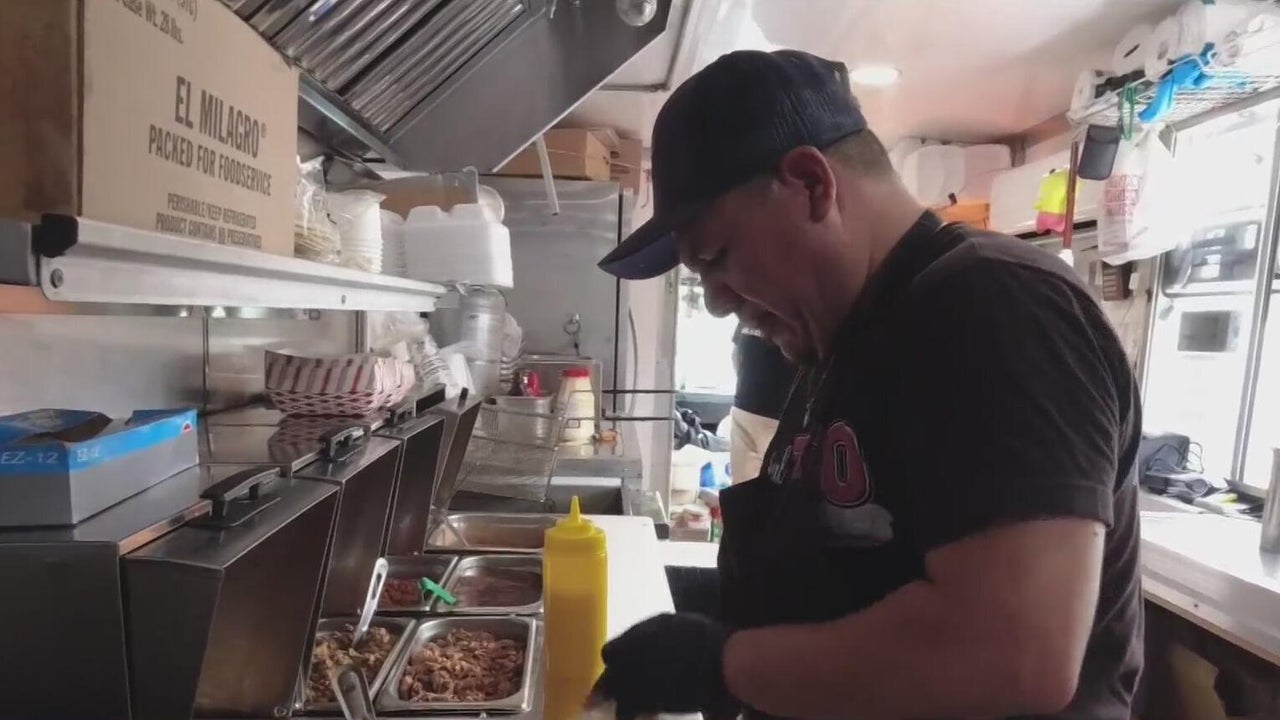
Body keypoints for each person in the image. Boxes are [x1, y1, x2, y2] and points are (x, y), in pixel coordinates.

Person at [593, 49, 1143, 720]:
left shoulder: (995, 306)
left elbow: (1011, 651)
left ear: (810, 184)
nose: (714, 301)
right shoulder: (843, 338)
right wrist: (716, 622)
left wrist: (722, 664)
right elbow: (852, 576)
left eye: (716, 257)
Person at [729, 322, 796, 484]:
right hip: (780, 413)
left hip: (746, 406)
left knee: (743, 486)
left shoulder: (750, 312)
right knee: (780, 485)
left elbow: (736, 356)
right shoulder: (800, 313)